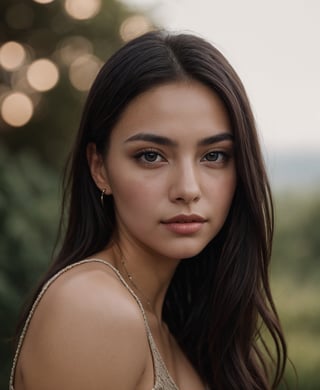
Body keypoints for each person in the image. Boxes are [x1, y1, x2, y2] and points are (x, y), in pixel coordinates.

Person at [10, 30, 287, 389]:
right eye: (151, 156)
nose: (188, 189)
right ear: (99, 168)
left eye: (214, 156)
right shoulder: (91, 309)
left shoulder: (176, 321)